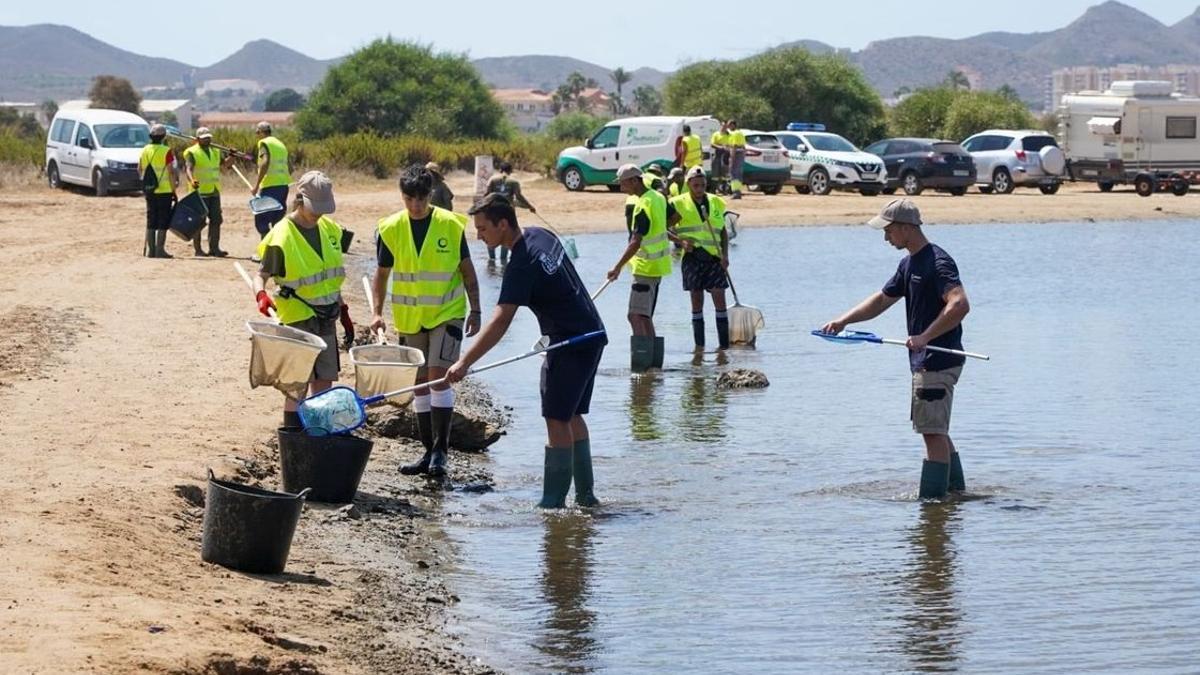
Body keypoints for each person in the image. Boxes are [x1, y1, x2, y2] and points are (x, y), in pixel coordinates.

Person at [447, 193, 608, 508]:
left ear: (503, 223)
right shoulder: (539, 234)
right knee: (571, 415)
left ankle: (553, 504)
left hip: (570, 343)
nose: (478, 236)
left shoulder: (521, 263)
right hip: (592, 333)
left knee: (556, 419)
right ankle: (586, 498)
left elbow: (500, 320)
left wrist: (464, 362)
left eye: (482, 229)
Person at [820, 198, 972, 500]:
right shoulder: (908, 264)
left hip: (938, 359)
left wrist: (926, 336)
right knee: (936, 430)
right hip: (926, 360)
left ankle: (932, 506)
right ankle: (956, 494)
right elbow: (881, 300)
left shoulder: (937, 261)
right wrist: (842, 321)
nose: (885, 237)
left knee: (931, 433)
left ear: (905, 228)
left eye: (888, 231)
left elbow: (960, 304)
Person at [371, 164, 482, 478]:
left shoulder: (449, 224)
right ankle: (426, 452)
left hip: (448, 313)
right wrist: (377, 313)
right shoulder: (390, 228)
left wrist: (476, 310)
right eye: (409, 198)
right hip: (410, 318)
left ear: (430, 194)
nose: (415, 205)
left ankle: (441, 453)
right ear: (402, 196)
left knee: (439, 377)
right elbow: (381, 276)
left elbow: (468, 271)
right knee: (419, 385)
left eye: (421, 198)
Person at [252, 171, 349, 429]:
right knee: (297, 383)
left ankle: (319, 433)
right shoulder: (282, 236)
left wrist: (344, 311)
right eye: (314, 208)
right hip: (297, 317)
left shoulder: (330, 230)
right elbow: (260, 276)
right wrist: (261, 295)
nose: (318, 214)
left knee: (325, 380)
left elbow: (330, 276)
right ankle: (293, 434)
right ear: (300, 199)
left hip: (327, 316)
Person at [607, 164, 672, 371]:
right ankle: (654, 366)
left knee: (635, 315)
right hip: (657, 267)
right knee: (644, 316)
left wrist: (617, 267)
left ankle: (642, 369)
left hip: (645, 268)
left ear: (634, 180)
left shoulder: (643, 204)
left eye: (623, 183)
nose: (621, 187)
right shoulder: (658, 197)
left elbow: (636, 241)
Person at [667, 166, 730, 350]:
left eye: (702, 185)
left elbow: (724, 231)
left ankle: (723, 348)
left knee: (719, 297)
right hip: (693, 257)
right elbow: (662, 228)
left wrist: (725, 255)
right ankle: (700, 347)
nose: (699, 189)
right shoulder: (678, 203)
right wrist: (680, 241)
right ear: (688, 185)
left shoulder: (716, 202)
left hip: (715, 259)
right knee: (696, 301)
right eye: (695, 185)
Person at [181, 127, 232, 257]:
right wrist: (192, 180)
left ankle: (214, 248)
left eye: (209, 137)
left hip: (214, 190)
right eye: (204, 138)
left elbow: (225, 165)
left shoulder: (215, 151)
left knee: (216, 220)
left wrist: (232, 156)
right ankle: (198, 250)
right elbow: (188, 168)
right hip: (199, 192)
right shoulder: (192, 152)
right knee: (199, 221)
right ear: (198, 139)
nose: (207, 140)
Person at [484, 161, 537, 264]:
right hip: (508, 214)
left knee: (491, 234)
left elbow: (487, 195)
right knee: (505, 235)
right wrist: (530, 207)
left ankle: (491, 260)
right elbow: (519, 197)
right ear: (510, 171)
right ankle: (503, 261)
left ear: (500, 170)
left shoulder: (493, 179)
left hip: (493, 212)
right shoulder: (514, 182)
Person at [251, 121, 291, 256]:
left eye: (257, 132)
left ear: (261, 132)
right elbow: (290, 167)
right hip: (283, 186)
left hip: (270, 186)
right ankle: (278, 252)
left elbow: (265, 163)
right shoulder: (280, 144)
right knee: (277, 220)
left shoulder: (264, 143)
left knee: (261, 219)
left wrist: (256, 185)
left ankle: (265, 252)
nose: (257, 135)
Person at [139, 123, 179, 259]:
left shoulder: (144, 150)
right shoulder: (166, 151)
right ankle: (159, 250)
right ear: (163, 136)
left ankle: (151, 251)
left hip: (149, 190)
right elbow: (171, 172)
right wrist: (174, 190)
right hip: (164, 191)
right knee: (163, 219)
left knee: (151, 219)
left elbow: (139, 169)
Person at [727, 119, 746, 199]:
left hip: (736, 153)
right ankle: (738, 191)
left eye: (729, 125)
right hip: (741, 153)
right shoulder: (740, 133)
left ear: (733, 125)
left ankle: (735, 192)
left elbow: (734, 146)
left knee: (733, 173)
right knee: (738, 173)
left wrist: (732, 157)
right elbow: (744, 146)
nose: (728, 127)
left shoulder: (734, 134)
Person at [709, 120, 731, 193]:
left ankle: (724, 190)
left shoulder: (729, 135)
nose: (724, 127)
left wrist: (728, 147)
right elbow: (712, 144)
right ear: (720, 126)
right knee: (715, 173)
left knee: (724, 174)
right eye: (723, 126)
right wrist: (720, 147)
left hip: (726, 155)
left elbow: (731, 144)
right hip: (717, 154)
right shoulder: (716, 134)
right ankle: (713, 190)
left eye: (725, 126)